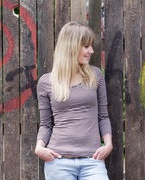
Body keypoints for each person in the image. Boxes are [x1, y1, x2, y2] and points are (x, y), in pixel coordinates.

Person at [35, 21, 113, 180]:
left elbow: (103, 116)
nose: (91, 50)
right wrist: (39, 147)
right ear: (71, 47)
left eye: (91, 45)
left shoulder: (95, 75)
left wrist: (108, 144)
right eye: (86, 46)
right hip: (58, 161)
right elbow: (46, 123)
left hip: (93, 160)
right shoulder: (46, 82)